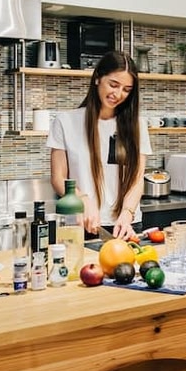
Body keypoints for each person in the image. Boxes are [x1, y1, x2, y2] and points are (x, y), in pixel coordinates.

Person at [47, 50, 152, 240]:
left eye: (127, 89)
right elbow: (58, 178)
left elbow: (137, 180)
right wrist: (83, 200)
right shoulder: (65, 122)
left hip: (126, 225)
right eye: (113, 85)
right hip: (81, 223)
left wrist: (127, 213)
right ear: (97, 78)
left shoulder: (137, 125)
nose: (118, 94)